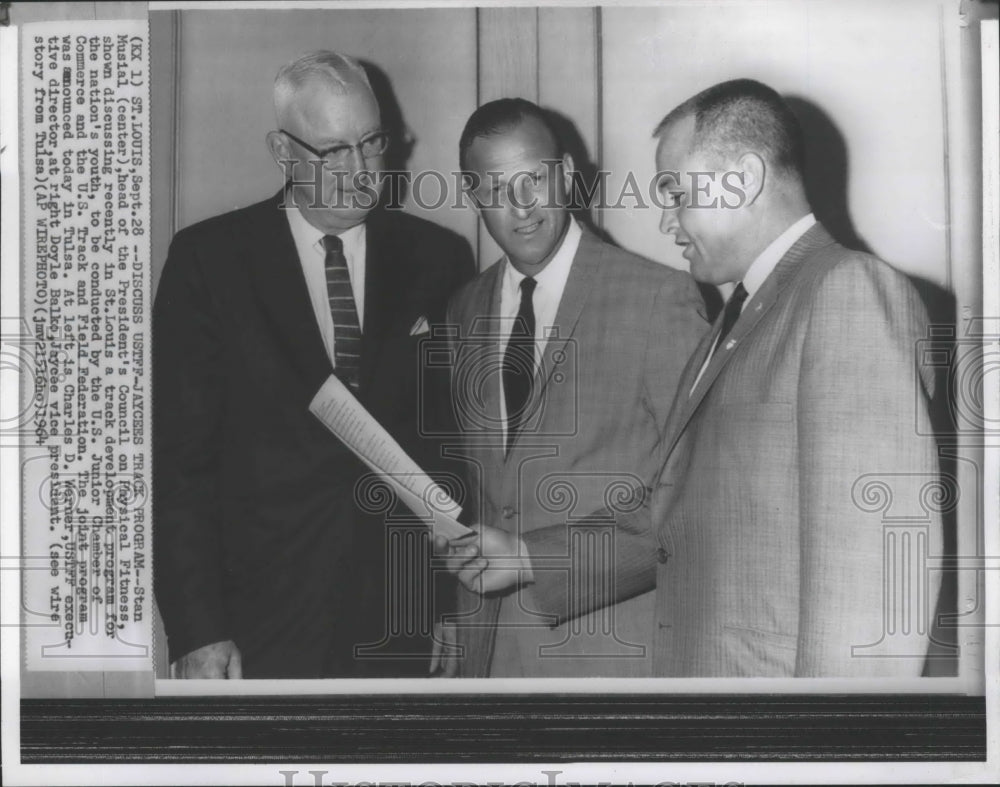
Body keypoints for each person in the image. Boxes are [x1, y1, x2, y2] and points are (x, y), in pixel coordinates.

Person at [446, 79, 944, 677]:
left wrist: (826, 748)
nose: (665, 221)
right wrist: (530, 557)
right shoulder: (742, 316)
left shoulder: (846, 292)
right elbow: (669, 515)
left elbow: (875, 595)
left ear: (745, 179)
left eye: (677, 193)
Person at [153, 51, 474, 678]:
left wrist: (448, 604)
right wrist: (198, 629)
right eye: (333, 151)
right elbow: (179, 464)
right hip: (254, 622)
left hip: (398, 616)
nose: (360, 170)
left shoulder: (438, 258)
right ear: (282, 150)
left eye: (372, 142)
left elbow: (449, 446)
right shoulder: (209, 261)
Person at [437, 98, 707, 678]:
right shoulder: (462, 309)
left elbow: (694, 509)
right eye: (495, 188)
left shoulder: (660, 299)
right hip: (485, 665)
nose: (521, 207)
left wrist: (534, 557)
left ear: (564, 174)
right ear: (472, 196)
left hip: (610, 661)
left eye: (534, 179)